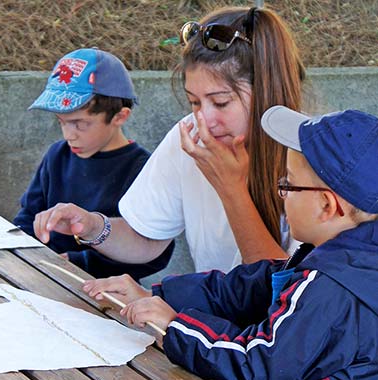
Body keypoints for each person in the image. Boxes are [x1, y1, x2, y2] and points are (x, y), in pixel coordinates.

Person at [83, 107, 378, 380]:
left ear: (328, 206)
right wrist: (156, 296)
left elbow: (260, 359)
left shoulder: (335, 286)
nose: (280, 194)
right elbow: (252, 288)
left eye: (287, 184)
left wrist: (175, 328)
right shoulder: (350, 256)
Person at [33, 6, 306, 273]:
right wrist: (92, 227)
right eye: (194, 102)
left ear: (268, 92)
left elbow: (287, 291)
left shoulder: (313, 157)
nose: (205, 120)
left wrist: (232, 190)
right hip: (211, 316)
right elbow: (146, 239)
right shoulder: (189, 134)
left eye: (221, 102)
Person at [14, 48, 174, 281]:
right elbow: (28, 216)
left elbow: (154, 253)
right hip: (45, 274)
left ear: (120, 116)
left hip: (105, 291)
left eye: (80, 124)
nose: (70, 135)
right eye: (62, 122)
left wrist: (81, 263)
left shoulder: (142, 169)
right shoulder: (57, 155)